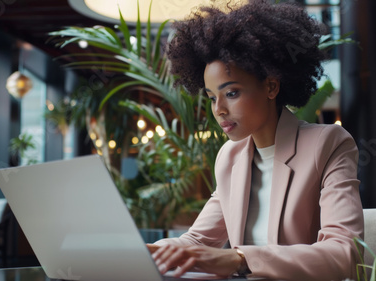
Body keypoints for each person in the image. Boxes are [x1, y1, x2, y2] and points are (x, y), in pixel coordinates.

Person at [147, 1, 364, 280]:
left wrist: (239, 259)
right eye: (213, 97)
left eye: (232, 93)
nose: (219, 109)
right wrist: (147, 251)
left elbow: (345, 253)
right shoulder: (230, 157)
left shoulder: (328, 144)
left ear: (271, 86)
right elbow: (197, 241)